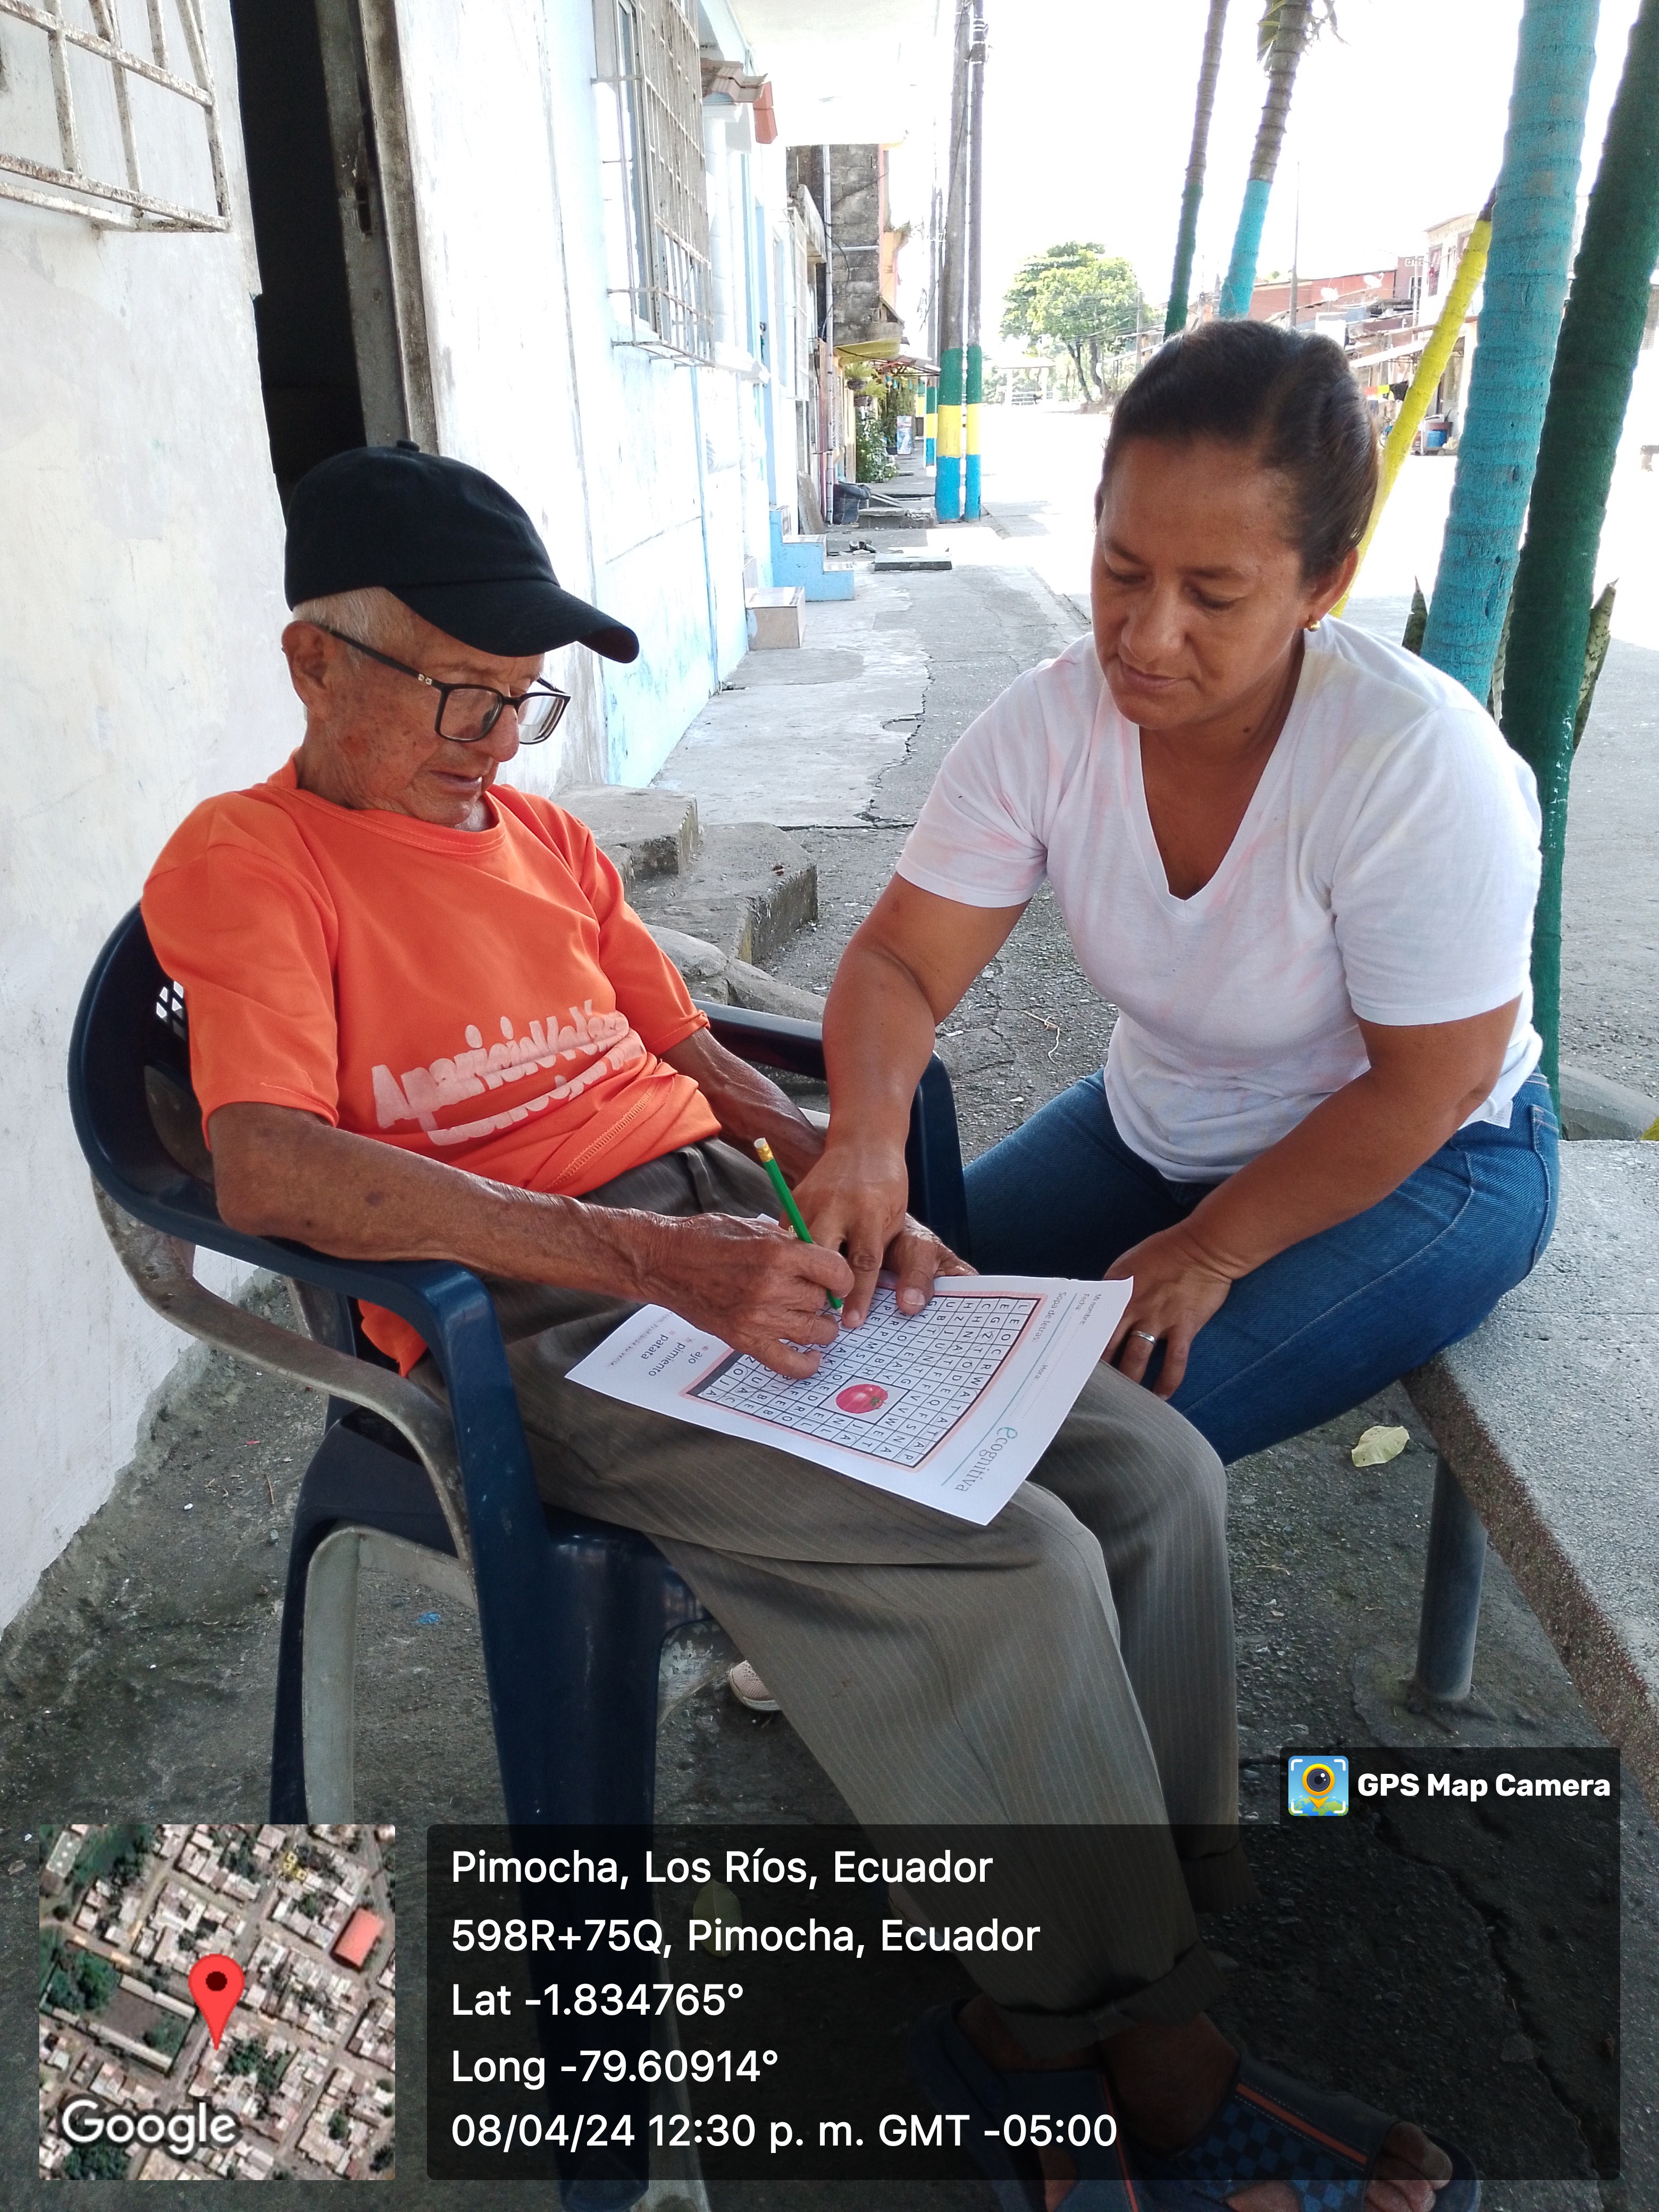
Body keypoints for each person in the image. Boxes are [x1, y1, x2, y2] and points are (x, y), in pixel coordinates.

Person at [141, 443, 1464, 2210]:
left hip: (709, 1236)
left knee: (1154, 1474)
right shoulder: (254, 859)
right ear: (316, 663)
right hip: (525, 1311)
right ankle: (1132, 2054)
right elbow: (270, 1163)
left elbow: (691, 1058)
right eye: (460, 691)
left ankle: (1123, 1964)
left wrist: (842, 1174)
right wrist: (642, 1255)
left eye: (523, 697)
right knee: (1016, 1566)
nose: (497, 739)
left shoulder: (541, 841)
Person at [798, 321, 1555, 1469]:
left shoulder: (1413, 761)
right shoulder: (1048, 723)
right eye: (1122, 572)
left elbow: (1432, 1084)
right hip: (1156, 1127)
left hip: (1432, 1160)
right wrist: (864, 1139)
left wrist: (1210, 1249)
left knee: (1081, 1453)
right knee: (865, 1317)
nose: (1148, 638)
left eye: (1214, 594)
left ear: (1325, 585)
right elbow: (902, 962)